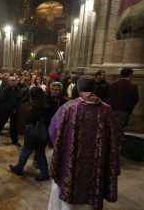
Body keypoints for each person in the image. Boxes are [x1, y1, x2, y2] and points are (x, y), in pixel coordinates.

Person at [48, 75, 122, 210]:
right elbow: (115, 136)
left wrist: (64, 147)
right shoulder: (107, 110)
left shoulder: (69, 107)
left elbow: (53, 130)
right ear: (95, 88)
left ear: (78, 87)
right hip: (96, 166)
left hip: (71, 164)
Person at [9, 86, 49, 181]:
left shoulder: (36, 105)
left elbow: (31, 118)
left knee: (25, 151)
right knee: (40, 154)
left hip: (34, 133)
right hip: (43, 133)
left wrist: (26, 119)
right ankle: (45, 173)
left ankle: (18, 169)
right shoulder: (45, 104)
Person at [0, 76, 22, 147]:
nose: (14, 82)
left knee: (14, 126)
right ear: (8, 81)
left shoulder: (17, 89)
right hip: (5, 110)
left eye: (15, 81)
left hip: (14, 110)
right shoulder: (4, 90)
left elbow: (19, 100)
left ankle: (15, 141)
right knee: (1, 123)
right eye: (12, 81)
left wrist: (16, 108)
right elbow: (3, 102)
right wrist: (11, 110)